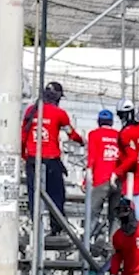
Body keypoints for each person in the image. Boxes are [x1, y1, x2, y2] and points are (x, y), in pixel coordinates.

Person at [21, 81, 83, 235]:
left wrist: (24, 155)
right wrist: (82, 141)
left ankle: (36, 227)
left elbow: (23, 136)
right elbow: (72, 134)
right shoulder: (59, 114)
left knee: (34, 194)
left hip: (33, 159)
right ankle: (56, 227)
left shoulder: (31, 111)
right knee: (56, 195)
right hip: (51, 160)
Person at [86, 109, 122, 241]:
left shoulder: (94, 135)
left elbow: (92, 157)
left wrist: (86, 181)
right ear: (112, 122)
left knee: (93, 212)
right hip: (117, 180)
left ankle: (86, 242)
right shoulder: (119, 135)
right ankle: (113, 245)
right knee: (115, 215)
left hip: (100, 179)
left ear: (99, 121)